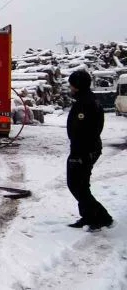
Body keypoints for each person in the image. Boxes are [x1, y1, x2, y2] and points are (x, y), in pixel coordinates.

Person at [66, 70, 113, 230]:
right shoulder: (86, 99)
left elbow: (87, 130)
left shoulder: (86, 103)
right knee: (80, 184)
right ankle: (90, 216)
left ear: (77, 85)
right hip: (84, 149)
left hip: (84, 150)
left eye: (72, 84)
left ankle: (101, 217)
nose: (70, 87)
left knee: (76, 184)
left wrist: (80, 154)